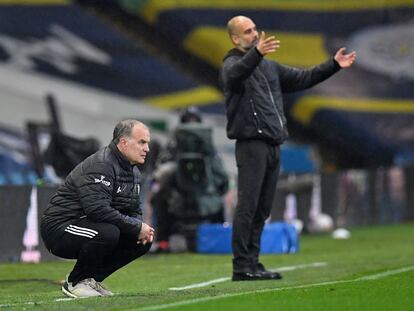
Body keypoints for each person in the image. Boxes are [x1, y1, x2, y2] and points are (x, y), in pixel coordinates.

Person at [219, 16, 356, 281]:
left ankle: (253, 262)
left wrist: (333, 65)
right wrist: (257, 54)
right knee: (248, 206)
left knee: (262, 208)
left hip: (272, 143)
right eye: (247, 32)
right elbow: (234, 77)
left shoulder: (269, 67)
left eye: (255, 29)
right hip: (251, 145)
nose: (254, 34)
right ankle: (241, 267)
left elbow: (303, 77)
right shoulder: (232, 64)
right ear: (235, 39)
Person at [40, 120, 155, 298]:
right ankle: (75, 282)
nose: (147, 148)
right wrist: (135, 226)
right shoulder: (102, 165)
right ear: (123, 143)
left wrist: (139, 228)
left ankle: (91, 280)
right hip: (59, 228)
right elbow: (97, 209)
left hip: (90, 225)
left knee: (141, 240)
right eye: (142, 142)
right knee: (109, 233)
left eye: (147, 143)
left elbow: (133, 208)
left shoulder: (134, 172)